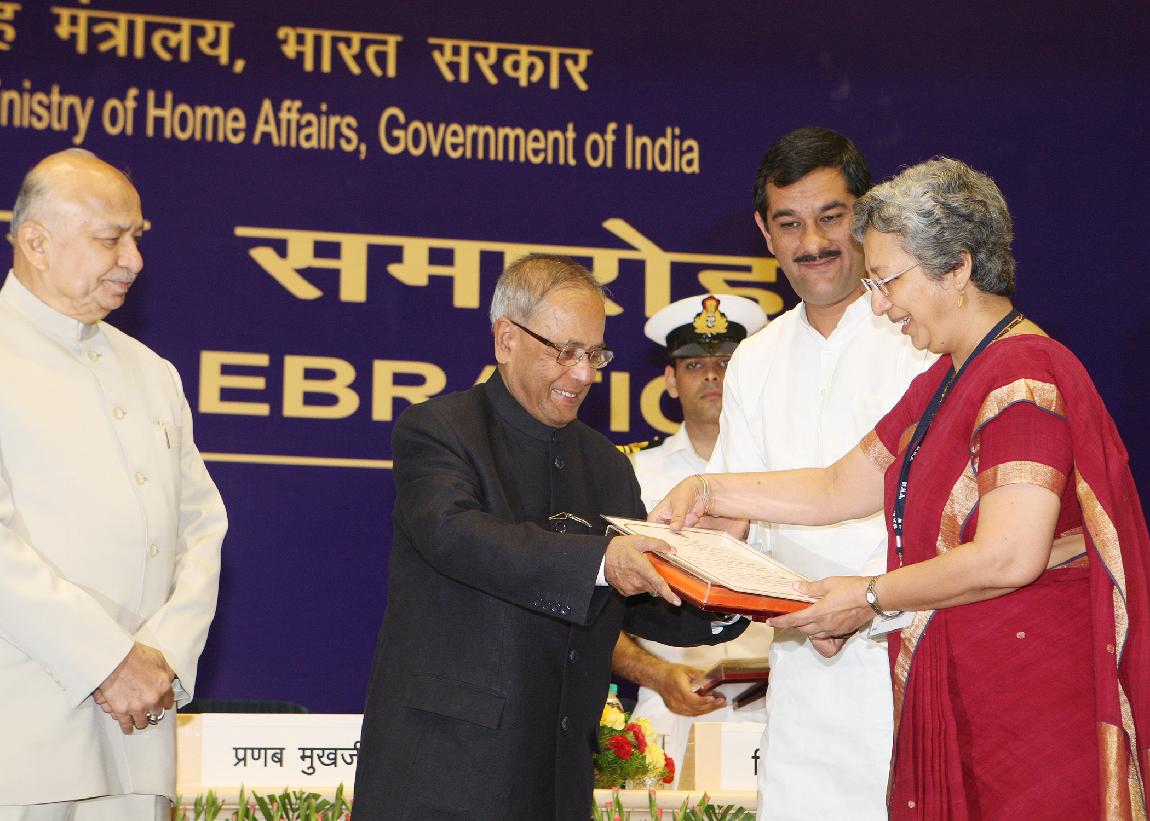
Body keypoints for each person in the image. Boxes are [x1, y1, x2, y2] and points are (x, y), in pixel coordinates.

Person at [653, 157, 1150, 818]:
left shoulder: (1023, 374)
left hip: (1027, 705)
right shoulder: (945, 378)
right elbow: (838, 486)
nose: (880, 305)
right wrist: (709, 490)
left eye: (887, 281)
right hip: (963, 687)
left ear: (958, 267)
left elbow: (1009, 554)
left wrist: (867, 597)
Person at [351, 254, 747, 821]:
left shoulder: (605, 464)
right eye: (565, 352)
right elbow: (455, 535)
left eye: (595, 354)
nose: (584, 375)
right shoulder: (438, 429)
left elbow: (635, 595)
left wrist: (730, 586)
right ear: (505, 339)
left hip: (559, 774)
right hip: (444, 770)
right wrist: (604, 561)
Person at [707, 127, 934, 819]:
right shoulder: (755, 359)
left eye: (831, 217)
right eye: (789, 224)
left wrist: (867, 601)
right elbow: (737, 529)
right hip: (803, 677)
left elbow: (958, 514)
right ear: (764, 232)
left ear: (866, 215)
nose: (812, 243)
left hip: (916, 657)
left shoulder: (922, 337)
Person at [0, 149, 227, 819]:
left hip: (140, 730)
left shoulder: (152, 372)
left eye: (137, 237)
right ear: (36, 243)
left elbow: (202, 528)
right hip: (23, 730)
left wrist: (162, 659)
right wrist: (107, 660)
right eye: (111, 238)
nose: (134, 259)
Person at [611, 293, 772, 786]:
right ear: (669, 380)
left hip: (777, 710)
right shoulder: (632, 472)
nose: (711, 376)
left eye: (725, 363)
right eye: (695, 364)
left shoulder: (786, 476)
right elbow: (594, 606)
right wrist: (657, 675)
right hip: (668, 711)